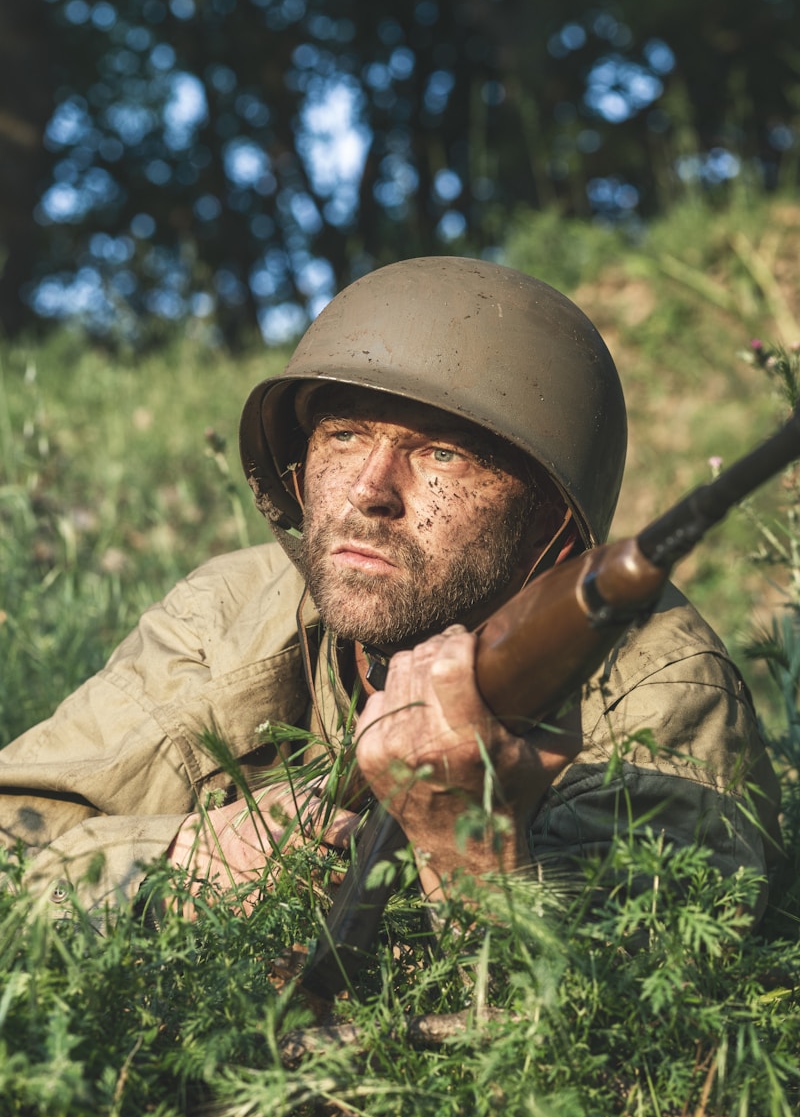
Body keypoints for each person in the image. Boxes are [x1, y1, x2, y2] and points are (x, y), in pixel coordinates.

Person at [0, 257, 782, 927]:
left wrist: (465, 853)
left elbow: (636, 1024)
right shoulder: (231, 612)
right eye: (343, 435)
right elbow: (14, 836)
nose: (367, 493)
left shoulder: (660, 687)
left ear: (551, 520)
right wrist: (176, 863)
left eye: (442, 455)